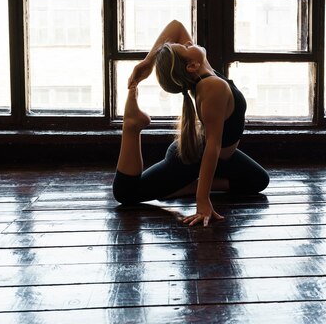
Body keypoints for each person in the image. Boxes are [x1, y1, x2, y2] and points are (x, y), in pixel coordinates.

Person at [113, 20, 269, 226]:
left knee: (258, 180)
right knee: (127, 193)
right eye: (186, 47)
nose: (188, 42)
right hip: (192, 158)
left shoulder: (203, 70)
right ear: (191, 65)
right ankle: (131, 126)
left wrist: (148, 62)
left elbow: (175, 27)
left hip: (221, 158)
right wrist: (203, 199)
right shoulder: (211, 86)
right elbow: (212, 146)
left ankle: (188, 185)